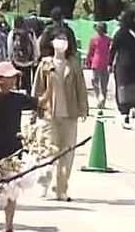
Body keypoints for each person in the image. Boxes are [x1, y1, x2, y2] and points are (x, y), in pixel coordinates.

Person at [0, 62, 40, 232]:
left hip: (13, 149)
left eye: (14, 77)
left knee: (12, 189)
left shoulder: (17, 98)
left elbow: (40, 102)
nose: (14, 80)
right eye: (9, 77)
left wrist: (49, 82)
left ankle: (9, 226)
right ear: (0, 79)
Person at [33, 32, 88, 202]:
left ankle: (61, 188)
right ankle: (44, 183)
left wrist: (83, 108)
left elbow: (81, 89)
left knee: (67, 153)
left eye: (64, 39)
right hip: (49, 114)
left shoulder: (74, 65)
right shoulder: (45, 64)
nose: (61, 42)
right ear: (51, 42)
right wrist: (35, 110)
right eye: (59, 39)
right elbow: (37, 89)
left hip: (69, 115)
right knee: (48, 150)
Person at [110, 9, 135, 128]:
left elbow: (113, 49)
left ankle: (125, 114)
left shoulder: (121, 33)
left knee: (123, 90)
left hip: (124, 66)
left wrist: (109, 63)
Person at [84, 22, 112, 109]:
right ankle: (102, 98)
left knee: (95, 81)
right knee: (104, 82)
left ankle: (99, 96)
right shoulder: (109, 40)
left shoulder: (93, 39)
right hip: (106, 62)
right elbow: (111, 52)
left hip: (96, 63)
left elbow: (90, 52)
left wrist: (87, 61)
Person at [8, 17, 39, 93]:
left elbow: (10, 47)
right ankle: (28, 95)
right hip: (28, 61)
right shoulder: (30, 32)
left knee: (17, 79)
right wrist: (36, 58)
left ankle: (18, 93)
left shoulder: (13, 33)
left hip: (17, 61)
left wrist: (10, 58)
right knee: (28, 80)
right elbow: (35, 45)